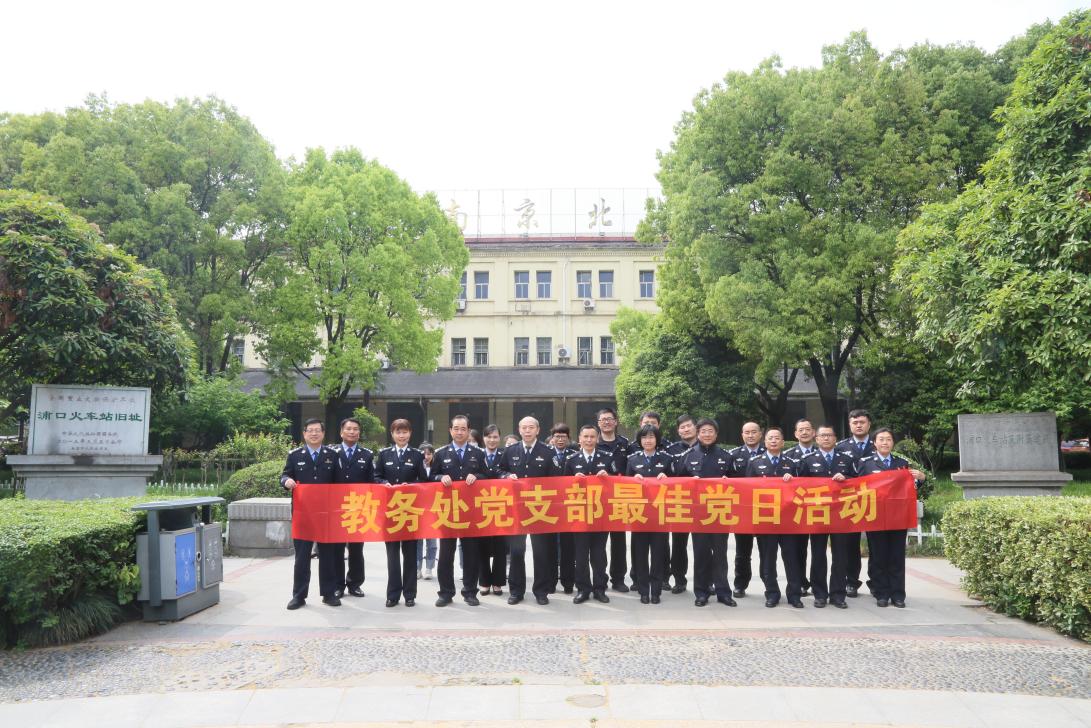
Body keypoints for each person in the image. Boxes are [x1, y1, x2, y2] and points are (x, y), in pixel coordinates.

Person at [857, 428, 926, 608]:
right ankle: (881, 593)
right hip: (875, 517)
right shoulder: (865, 463)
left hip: (898, 517)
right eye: (881, 439)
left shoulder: (901, 463)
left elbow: (911, 487)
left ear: (893, 443)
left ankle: (898, 594)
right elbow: (856, 487)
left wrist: (921, 478)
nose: (885, 442)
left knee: (896, 556)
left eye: (888, 439)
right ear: (874, 443)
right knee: (878, 556)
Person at [498, 416, 559, 605]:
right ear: (519, 429)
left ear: (537, 430)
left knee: (541, 552)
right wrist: (507, 476)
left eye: (531, 427)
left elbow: (556, 479)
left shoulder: (548, 452)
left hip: (540, 509)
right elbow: (498, 471)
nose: (527, 431)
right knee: (516, 551)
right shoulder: (510, 451)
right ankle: (516, 591)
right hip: (516, 509)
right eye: (524, 427)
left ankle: (541, 591)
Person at [675, 418, 736, 608]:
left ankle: (723, 592)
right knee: (701, 554)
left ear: (716, 434)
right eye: (703, 431)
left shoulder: (726, 456)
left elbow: (738, 484)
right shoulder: (687, 456)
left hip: (720, 512)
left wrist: (728, 482)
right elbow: (678, 484)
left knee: (720, 555)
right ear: (698, 433)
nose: (707, 434)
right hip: (698, 514)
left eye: (711, 431)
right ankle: (701, 593)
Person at [281, 418, 340, 609]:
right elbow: (285, 475)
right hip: (303, 514)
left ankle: (329, 594)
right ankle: (299, 596)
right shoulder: (295, 455)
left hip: (326, 514)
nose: (314, 433)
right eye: (310, 430)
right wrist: (286, 481)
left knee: (328, 556)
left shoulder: (332, 455)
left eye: (317, 430)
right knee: (302, 557)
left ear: (323, 433)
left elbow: (339, 484)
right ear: (304, 433)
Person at [431, 414, 489, 607]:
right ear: (450, 430)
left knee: (471, 553)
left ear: (468, 431)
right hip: (447, 511)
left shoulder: (478, 453)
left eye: (463, 429)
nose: (459, 432)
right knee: (446, 554)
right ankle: (445, 593)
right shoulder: (441, 453)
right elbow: (431, 477)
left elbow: (487, 476)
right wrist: (440, 477)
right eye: (456, 428)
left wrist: (477, 476)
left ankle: (470, 592)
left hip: (470, 512)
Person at [797, 425, 858, 608]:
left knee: (841, 555)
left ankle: (838, 594)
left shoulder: (846, 459)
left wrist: (846, 478)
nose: (826, 438)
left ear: (835, 438)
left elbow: (859, 483)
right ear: (816, 439)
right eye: (822, 435)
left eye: (829, 435)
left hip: (841, 514)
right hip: (818, 514)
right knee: (818, 555)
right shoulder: (807, 460)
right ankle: (820, 593)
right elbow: (800, 486)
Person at [746, 427, 804, 608]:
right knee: (768, 559)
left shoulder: (792, 463)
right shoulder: (755, 462)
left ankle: (794, 595)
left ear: (783, 442)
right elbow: (747, 491)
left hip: (788, 520)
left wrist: (793, 480)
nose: (773, 441)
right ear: (765, 442)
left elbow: (802, 490)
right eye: (770, 438)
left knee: (792, 558)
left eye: (777, 438)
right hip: (766, 520)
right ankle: (772, 593)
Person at [374, 419, 428, 607]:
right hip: (390, 512)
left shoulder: (417, 455)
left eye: (405, 432)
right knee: (392, 555)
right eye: (398, 432)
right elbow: (376, 476)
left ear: (410, 434)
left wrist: (411, 485)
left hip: (410, 511)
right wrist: (384, 484)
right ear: (392, 434)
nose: (401, 435)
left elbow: (424, 480)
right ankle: (393, 594)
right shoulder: (384, 454)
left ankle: (410, 594)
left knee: (410, 554)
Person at [561, 424, 616, 604]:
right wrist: (573, 480)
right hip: (580, 515)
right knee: (581, 555)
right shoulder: (571, 459)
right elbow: (562, 486)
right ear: (580, 439)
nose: (589, 440)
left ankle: (600, 588)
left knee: (599, 555)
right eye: (585, 437)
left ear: (597, 439)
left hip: (601, 514)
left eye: (592, 437)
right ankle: (583, 589)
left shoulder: (607, 457)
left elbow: (619, 481)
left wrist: (608, 476)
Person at [626, 424, 672, 604]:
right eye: (644, 437)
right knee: (640, 554)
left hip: (660, 515)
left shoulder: (666, 459)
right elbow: (624, 485)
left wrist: (667, 479)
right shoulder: (632, 459)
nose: (648, 440)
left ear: (657, 439)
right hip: (639, 515)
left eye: (651, 437)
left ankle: (656, 591)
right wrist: (632, 480)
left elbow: (677, 484)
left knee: (658, 554)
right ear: (640, 440)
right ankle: (643, 590)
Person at [836, 409, 876, 598]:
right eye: (855, 422)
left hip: (874, 501)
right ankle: (851, 582)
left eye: (862, 422)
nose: (858, 425)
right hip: (850, 502)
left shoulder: (879, 443)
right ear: (850, 425)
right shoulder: (841, 447)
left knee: (876, 544)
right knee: (850, 545)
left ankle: (876, 582)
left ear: (869, 424)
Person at [334, 417, 374, 599]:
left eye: (355, 429)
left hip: (359, 507)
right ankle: (337, 585)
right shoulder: (332, 453)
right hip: (337, 508)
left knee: (357, 549)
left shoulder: (367, 455)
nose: (352, 432)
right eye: (348, 429)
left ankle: (355, 584)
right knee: (337, 548)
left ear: (359, 433)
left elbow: (372, 482)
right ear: (341, 432)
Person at [595, 407, 632, 592]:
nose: (607, 422)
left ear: (616, 422)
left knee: (619, 542)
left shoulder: (625, 444)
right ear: (598, 423)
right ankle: (600, 579)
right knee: (599, 543)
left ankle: (618, 579)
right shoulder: (593, 442)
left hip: (620, 499)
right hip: (599, 500)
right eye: (603, 419)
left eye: (610, 419)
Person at [728, 421, 766, 598]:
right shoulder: (733, 455)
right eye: (747, 432)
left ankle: (769, 585)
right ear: (742, 435)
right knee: (742, 552)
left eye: (754, 432)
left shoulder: (769, 452)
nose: (750, 435)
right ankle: (740, 584)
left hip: (765, 510)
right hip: (742, 511)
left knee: (767, 551)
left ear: (760, 434)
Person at [663, 414, 699, 594]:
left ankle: (706, 582)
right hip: (680, 503)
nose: (686, 429)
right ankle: (679, 579)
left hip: (703, 504)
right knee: (679, 544)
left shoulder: (706, 447)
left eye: (689, 426)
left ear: (696, 427)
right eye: (682, 427)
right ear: (678, 431)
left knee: (703, 546)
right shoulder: (671, 450)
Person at [783, 419, 818, 596]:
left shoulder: (823, 451)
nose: (804, 432)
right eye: (801, 430)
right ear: (795, 434)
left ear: (813, 432)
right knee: (798, 548)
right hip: (797, 509)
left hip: (820, 508)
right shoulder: (788, 456)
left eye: (807, 429)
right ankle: (801, 582)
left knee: (819, 550)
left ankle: (819, 584)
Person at [478, 424, 508, 596]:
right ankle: (484, 582)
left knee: (500, 546)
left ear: (499, 438)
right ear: (484, 438)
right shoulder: (477, 455)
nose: (492, 440)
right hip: (481, 506)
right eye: (489, 436)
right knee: (481, 545)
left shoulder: (505, 454)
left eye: (495, 437)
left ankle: (498, 582)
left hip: (501, 506)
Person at [549, 423, 577, 594]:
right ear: (552, 438)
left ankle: (568, 582)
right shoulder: (546, 454)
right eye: (557, 436)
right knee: (551, 546)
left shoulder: (574, 455)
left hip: (569, 506)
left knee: (568, 546)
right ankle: (551, 582)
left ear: (568, 438)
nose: (560, 439)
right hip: (550, 506)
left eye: (563, 436)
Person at [416, 443, 437, 580]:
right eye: (423, 454)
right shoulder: (415, 468)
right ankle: (417, 568)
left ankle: (429, 568)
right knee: (417, 541)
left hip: (433, 508)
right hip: (417, 507)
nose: (426, 456)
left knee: (432, 541)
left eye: (429, 454)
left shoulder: (437, 467)